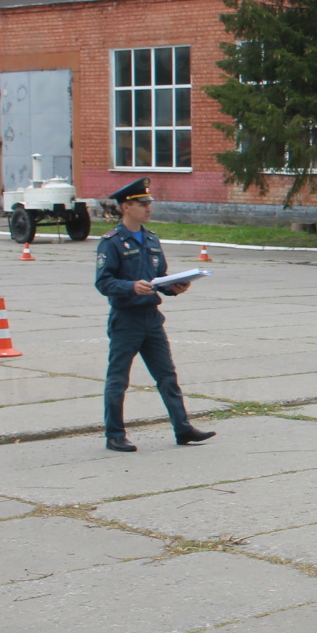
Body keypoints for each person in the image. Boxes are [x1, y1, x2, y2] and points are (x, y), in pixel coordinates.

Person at [94, 178, 215, 452]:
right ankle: (115, 434)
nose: (149, 208)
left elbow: (158, 277)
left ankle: (182, 428)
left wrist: (175, 286)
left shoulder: (150, 239)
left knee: (167, 376)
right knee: (118, 379)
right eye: (142, 203)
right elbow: (103, 282)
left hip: (151, 318)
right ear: (126, 207)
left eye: (149, 203)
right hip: (126, 320)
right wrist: (130, 287)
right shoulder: (111, 243)